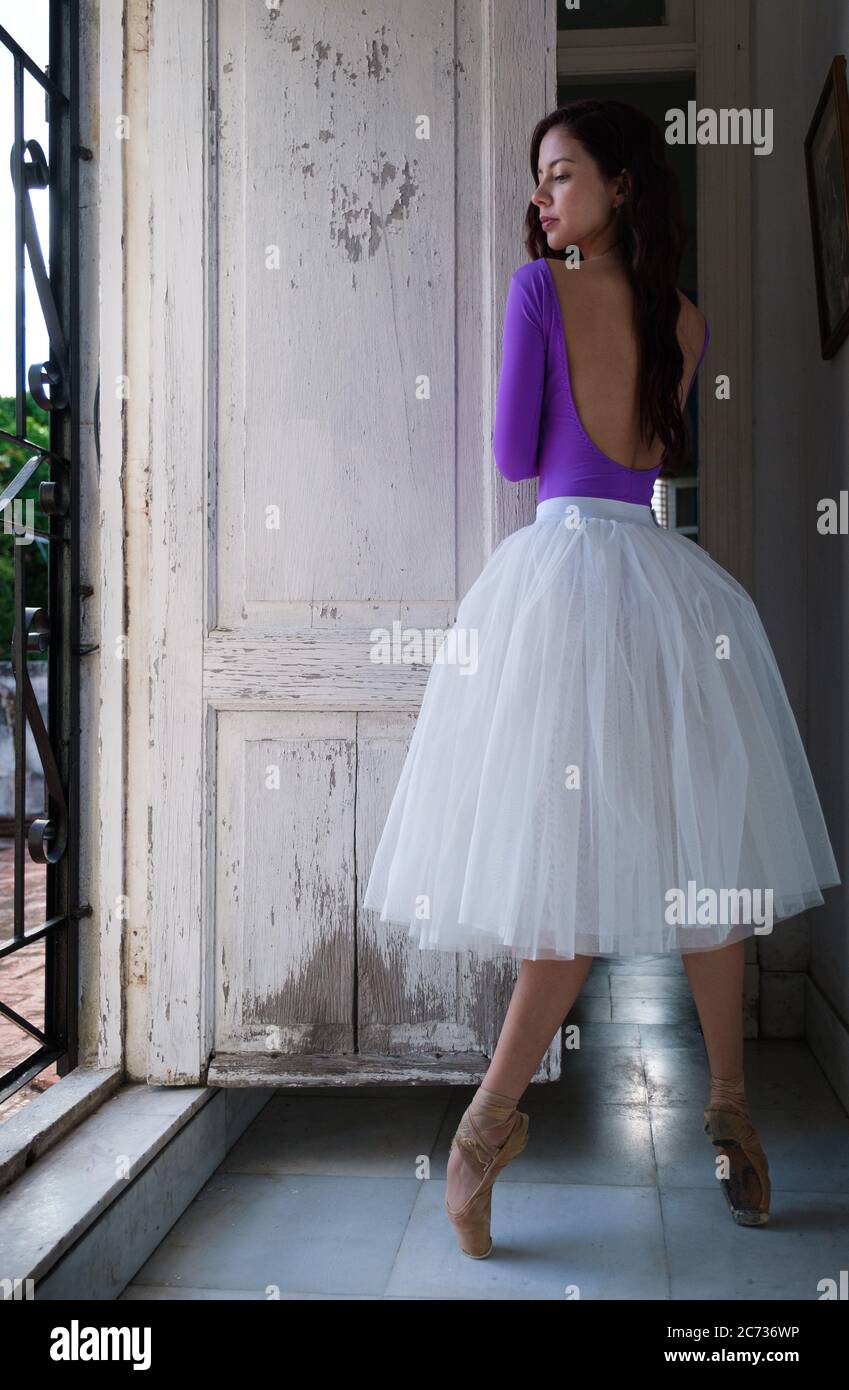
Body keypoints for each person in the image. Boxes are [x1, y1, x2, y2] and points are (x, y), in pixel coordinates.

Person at [361, 99, 841, 1257]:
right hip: (668, 592)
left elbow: (520, 460)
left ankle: (478, 1143)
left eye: (562, 175)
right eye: (539, 178)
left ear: (621, 185)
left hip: (562, 585)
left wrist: (546, 309)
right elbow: (645, 456)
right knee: (709, 871)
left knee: (562, 891)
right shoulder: (686, 320)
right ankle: (734, 1120)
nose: (544, 197)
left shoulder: (541, 289)